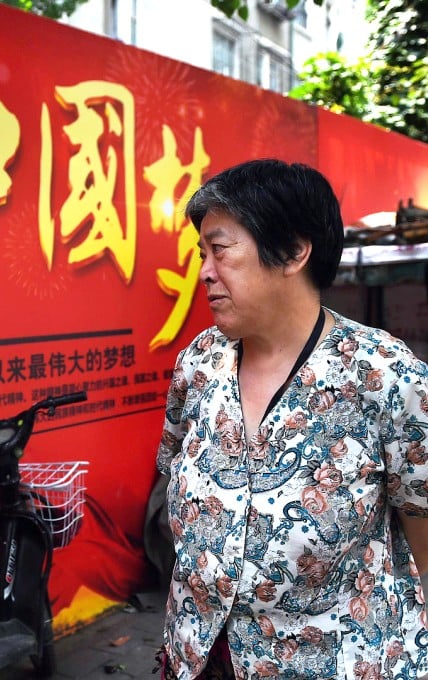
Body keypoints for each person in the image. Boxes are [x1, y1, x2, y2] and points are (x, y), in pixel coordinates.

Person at [155, 158, 428, 679]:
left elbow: (422, 521)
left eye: (221, 250)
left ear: (294, 252)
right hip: (200, 655)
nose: (204, 271)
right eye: (202, 253)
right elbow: (174, 472)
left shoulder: (384, 375)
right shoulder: (199, 361)